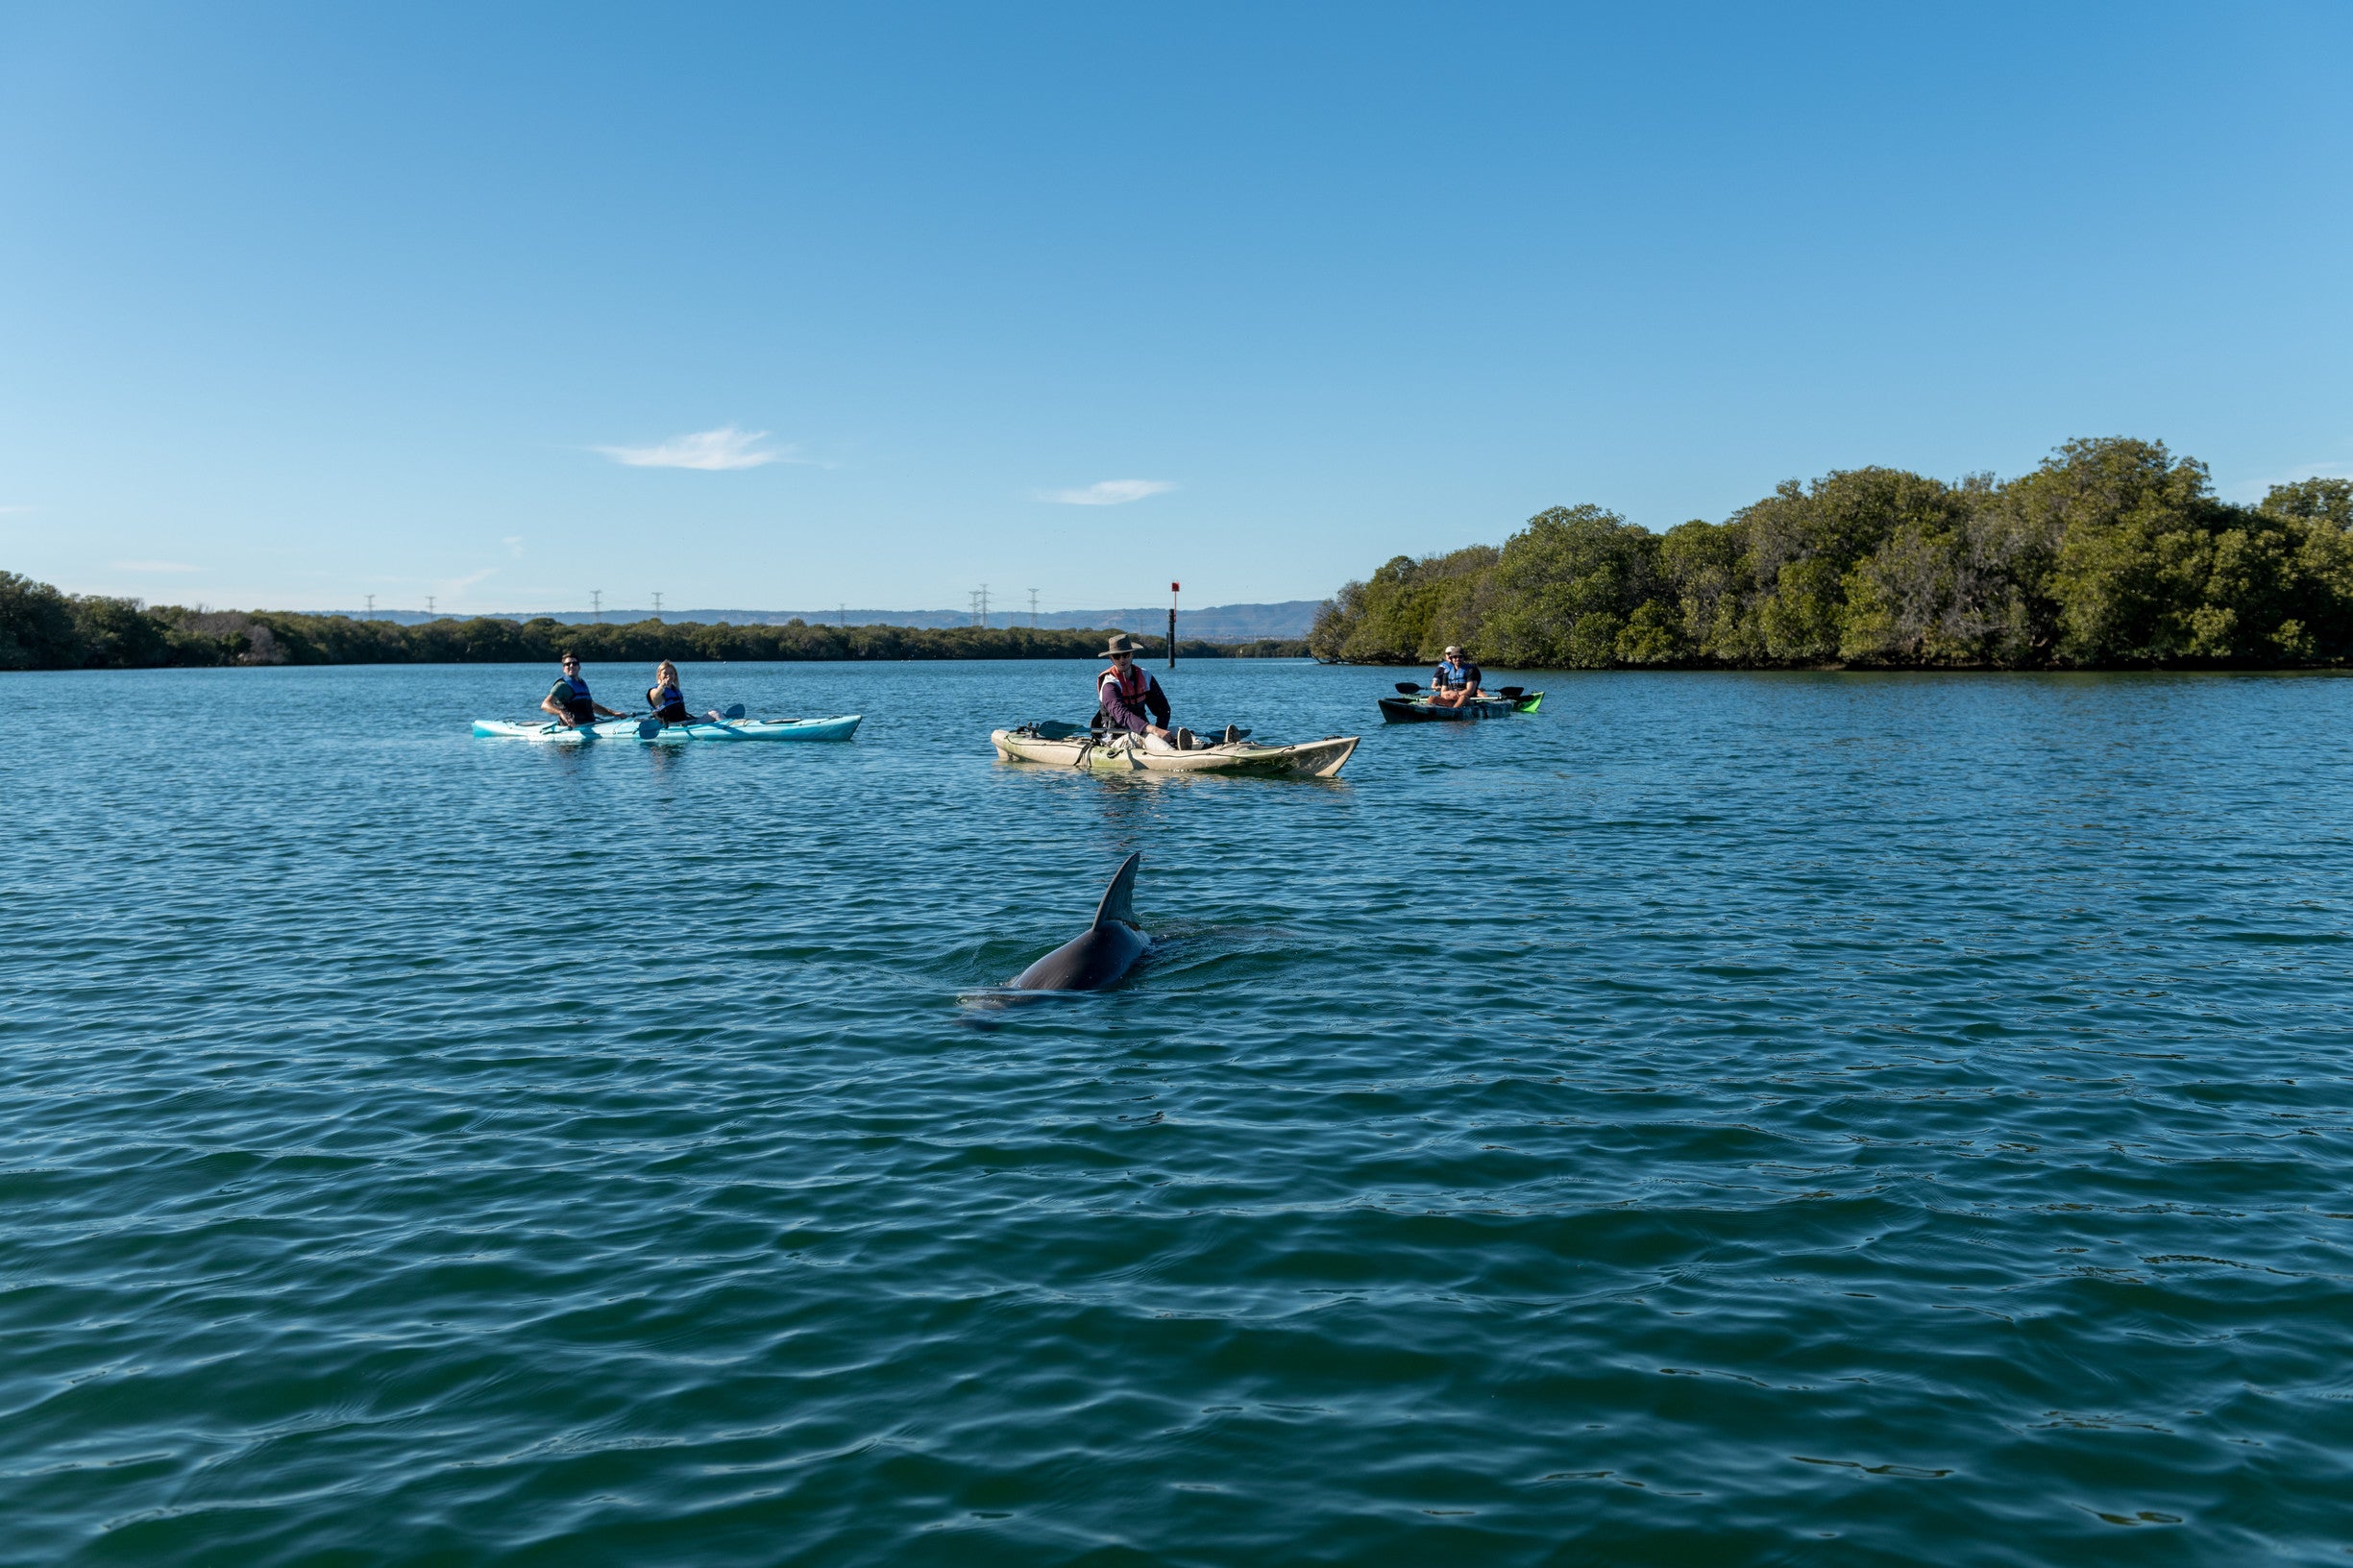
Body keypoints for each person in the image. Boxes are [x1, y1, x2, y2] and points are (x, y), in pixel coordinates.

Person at [1094, 634, 1179, 748]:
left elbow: (1163, 709)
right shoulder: (1109, 685)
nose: (1122, 659)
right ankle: (1171, 754)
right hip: (1115, 738)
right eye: (1116, 656)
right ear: (1111, 659)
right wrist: (1153, 730)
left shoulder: (1145, 676)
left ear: (1132, 654)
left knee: (1178, 730)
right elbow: (1122, 715)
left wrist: (1161, 730)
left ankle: (1200, 746)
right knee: (1141, 737)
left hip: (1144, 733)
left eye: (1126, 654)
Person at [540, 652, 625, 728]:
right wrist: (560, 712)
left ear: (579, 667)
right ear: (564, 669)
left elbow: (593, 706)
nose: (571, 666)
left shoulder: (582, 684)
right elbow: (545, 704)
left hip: (589, 725)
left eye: (574, 663)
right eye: (568, 664)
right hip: (572, 728)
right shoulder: (561, 686)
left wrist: (614, 713)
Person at [645, 660, 720, 725]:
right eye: (665, 673)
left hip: (686, 723)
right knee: (715, 713)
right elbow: (657, 693)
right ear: (659, 675)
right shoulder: (653, 691)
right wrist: (662, 685)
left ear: (675, 675)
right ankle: (728, 731)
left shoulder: (675, 690)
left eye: (671, 673)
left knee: (716, 711)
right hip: (672, 727)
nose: (668, 676)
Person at [1430, 645, 1485, 709]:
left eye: (1460, 657)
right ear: (1451, 658)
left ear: (1464, 658)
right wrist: (1451, 695)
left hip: (1468, 700)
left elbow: (1470, 691)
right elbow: (1443, 693)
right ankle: (1427, 714)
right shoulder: (1447, 673)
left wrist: (1456, 694)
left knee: (1463, 698)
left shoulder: (1471, 671)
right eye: (1455, 657)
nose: (1457, 659)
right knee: (1432, 698)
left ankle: (1453, 712)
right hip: (1451, 700)